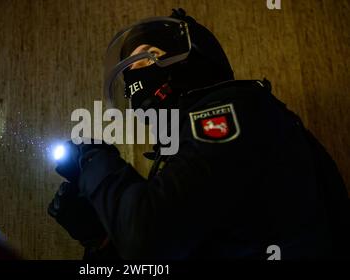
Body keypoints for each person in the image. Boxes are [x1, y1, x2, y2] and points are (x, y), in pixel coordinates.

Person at [48, 8, 350, 260]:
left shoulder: (237, 110)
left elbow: (151, 239)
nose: (134, 77)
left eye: (148, 56)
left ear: (193, 57)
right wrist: (102, 238)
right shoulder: (179, 152)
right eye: (129, 71)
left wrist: (93, 161)